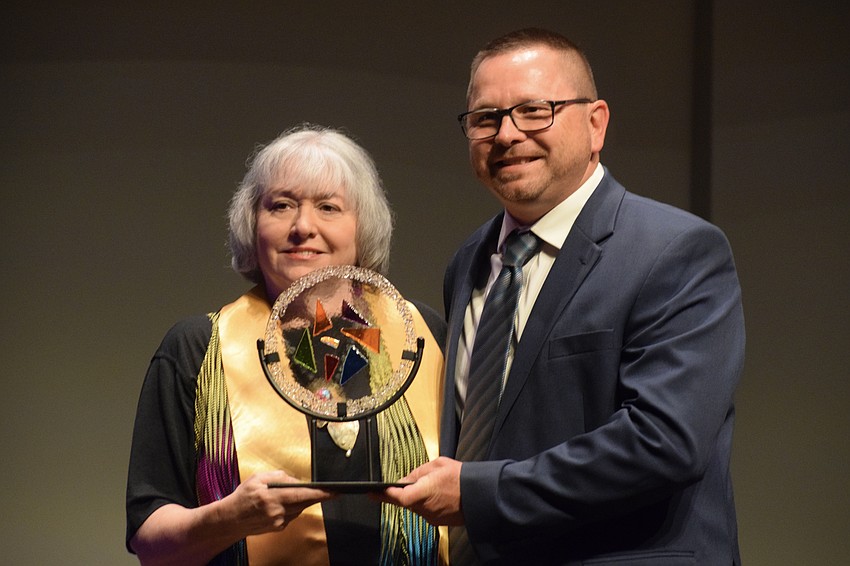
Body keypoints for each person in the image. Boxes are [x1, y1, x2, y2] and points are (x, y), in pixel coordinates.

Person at [379, 28, 746, 565]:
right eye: (486, 118)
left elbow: (662, 442)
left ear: (596, 123)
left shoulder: (677, 250)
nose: (506, 134)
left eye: (534, 110)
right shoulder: (469, 262)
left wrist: (478, 492)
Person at [126, 124, 449, 565]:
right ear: (252, 226)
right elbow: (150, 545)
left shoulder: (426, 334)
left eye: (328, 207)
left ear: (363, 228)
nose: (302, 227)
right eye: (280, 206)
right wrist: (231, 518)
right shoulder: (199, 349)